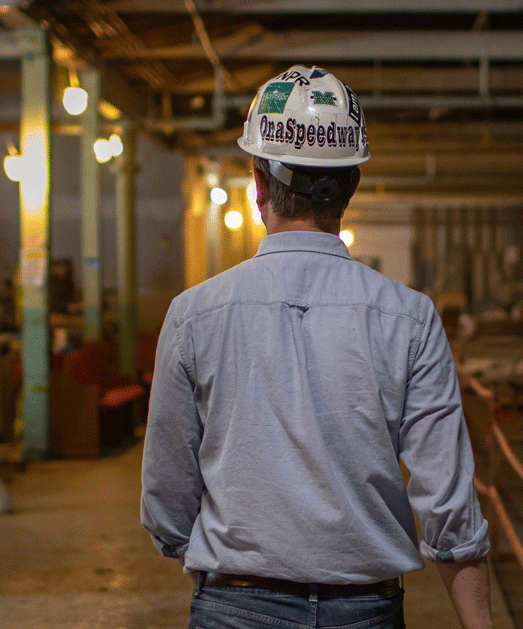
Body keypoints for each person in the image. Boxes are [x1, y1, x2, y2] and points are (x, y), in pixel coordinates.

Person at [141, 65, 492, 629]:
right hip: (366, 609)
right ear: (350, 185)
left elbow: (166, 491)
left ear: (257, 186)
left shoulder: (194, 315)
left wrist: (216, 556)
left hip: (235, 603)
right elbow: (447, 497)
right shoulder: (410, 317)